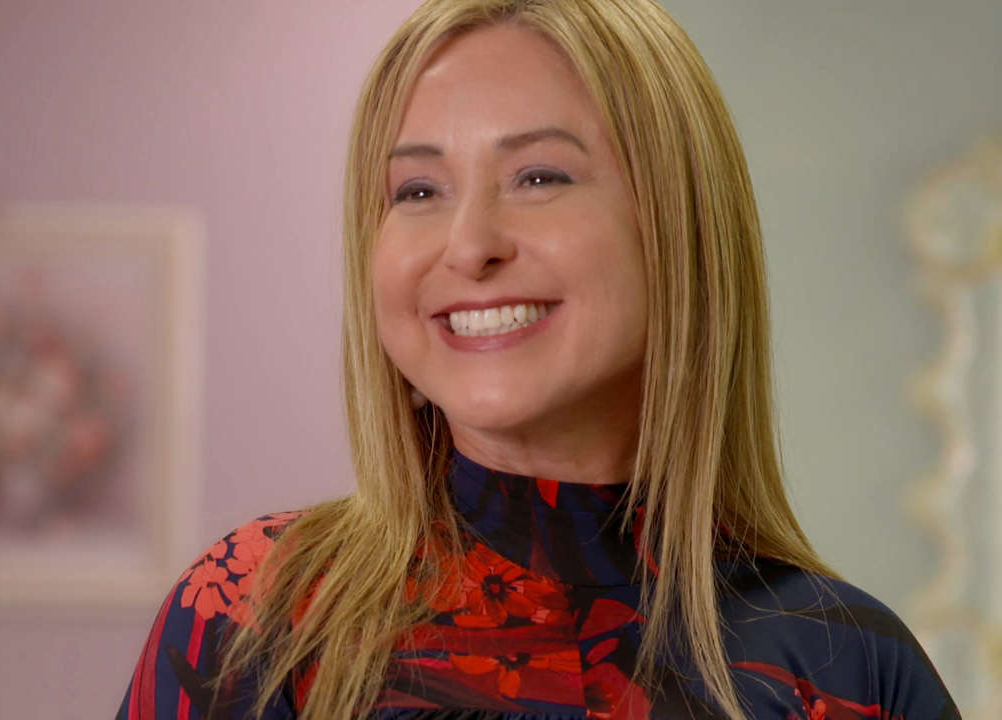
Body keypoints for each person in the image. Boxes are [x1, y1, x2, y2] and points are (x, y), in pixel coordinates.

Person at [115, 1, 959, 718]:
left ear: (679, 226)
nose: (469, 245)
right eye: (417, 190)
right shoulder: (258, 612)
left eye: (540, 177)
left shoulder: (848, 670)